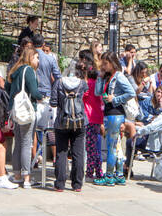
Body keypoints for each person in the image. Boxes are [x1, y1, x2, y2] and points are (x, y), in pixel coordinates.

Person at [95, 51, 137, 186]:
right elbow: (97, 92)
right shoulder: (108, 77)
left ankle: (109, 175)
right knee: (117, 144)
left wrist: (116, 99)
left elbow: (131, 92)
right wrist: (100, 77)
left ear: (112, 63)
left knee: (111, 145)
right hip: (110, 113)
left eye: (105, 63)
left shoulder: (119, 76)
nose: (103, 66)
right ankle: (119, 174)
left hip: (115, 113)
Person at [52, 59, 89, 191]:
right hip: (79, 121)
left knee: (61, 152)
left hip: (62, 121)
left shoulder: (59, 82)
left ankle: (60, 183)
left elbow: (53, 102)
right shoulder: (83, 84)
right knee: (78, 153)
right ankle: (77, 184)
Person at [9, 43, 42, 188]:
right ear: (30, 58)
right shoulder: (29, 70)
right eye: (36, 57)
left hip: (16, 111)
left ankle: (16, 175)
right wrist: (42, 96)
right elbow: (34, 93)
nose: (38, 61)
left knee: (18, 143)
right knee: (27, 143)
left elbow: (7, 89)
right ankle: (27, 177)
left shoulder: (16, 70)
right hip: (27, 111)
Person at [84, 53, 105, 181]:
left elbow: (83, 96)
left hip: (89, 118)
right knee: (96, 146)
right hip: (98, 118)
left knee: (90, 147)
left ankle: (90, 171)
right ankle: (99, 170)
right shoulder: (98, 85)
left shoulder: (88, 85)